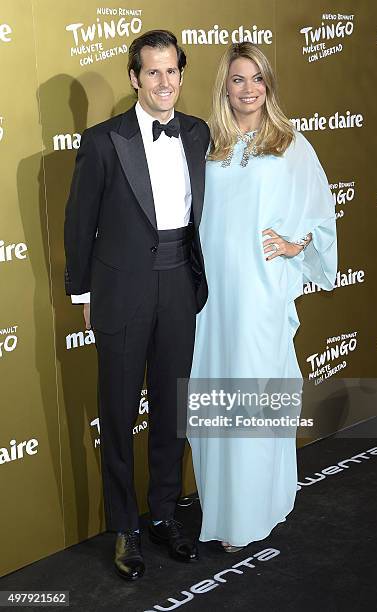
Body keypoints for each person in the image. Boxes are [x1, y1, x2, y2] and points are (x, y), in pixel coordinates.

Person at [64, 30, 210, 580]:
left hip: (179, 284)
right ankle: (125, 526)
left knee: (174, 408)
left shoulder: (196, 133)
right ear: (134, 78)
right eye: (152, 72)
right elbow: (78, 225)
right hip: (122, 289)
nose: (164, 82)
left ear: (181, 74)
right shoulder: (103, 140)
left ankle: (166, 515)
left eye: (172, 71)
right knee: (120, 411)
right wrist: (83, 293)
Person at [188, 42, 337, 551]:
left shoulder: (292, 144)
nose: (248, 88)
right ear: (224, 87)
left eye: (256, 78)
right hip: (212, 299)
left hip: (260, 293)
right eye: (237, 79)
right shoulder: (207, 145)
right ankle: (224, 512)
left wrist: (297, 244)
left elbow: (322, 213)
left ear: (268, 84)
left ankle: (252, 516)